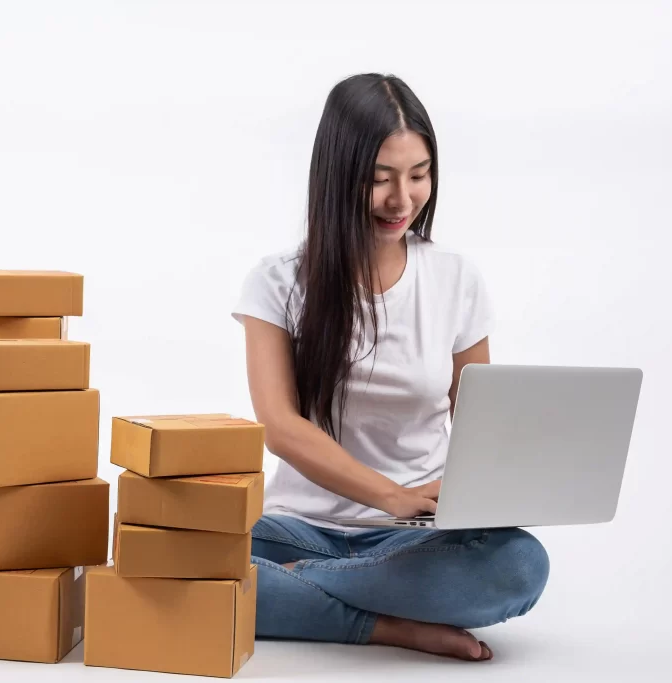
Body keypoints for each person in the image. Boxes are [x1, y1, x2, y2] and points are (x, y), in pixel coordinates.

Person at [231, 73, 550, 662]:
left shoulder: (456, 278)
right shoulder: (277, 281)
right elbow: (279, 425)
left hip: (419, 539)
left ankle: (301, 594)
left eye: (418, 175)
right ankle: (389, 626)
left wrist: (490, 491)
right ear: (335, 176)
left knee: (520, 566)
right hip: (298, 530)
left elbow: (481, 423)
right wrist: (388, 495)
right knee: (178, 556)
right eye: (379, 179)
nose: (401, 200)